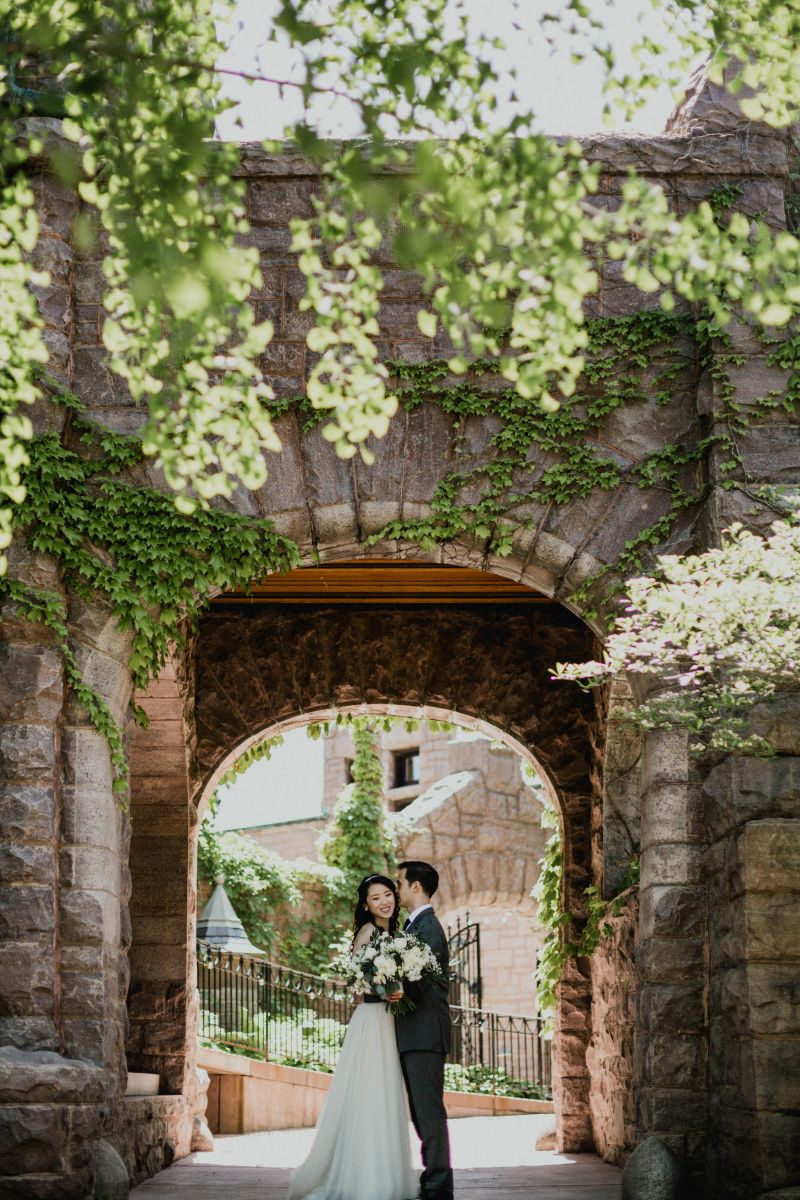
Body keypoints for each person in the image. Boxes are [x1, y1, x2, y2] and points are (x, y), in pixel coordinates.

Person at [287, 873, 419, 1200]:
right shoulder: (368, 931)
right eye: (376, 898)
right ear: (365, 904)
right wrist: (382, 988)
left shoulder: (398, 933)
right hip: (372, 1019)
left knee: (388, 1095)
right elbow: (356, 981)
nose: (384, 901)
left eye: (388, 894)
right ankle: (364, 1178)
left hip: (391, 1021)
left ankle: (390, 1175)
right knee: (369, 1094)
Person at [394, 861, 453, 1200]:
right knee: (421, 1113)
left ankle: (438, 1186)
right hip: (414, 1035)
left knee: (429, 1113)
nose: (397, 888)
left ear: (416, 887)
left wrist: (386, 984)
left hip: (425, 1035)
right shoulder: (415, 927)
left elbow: (416, 984)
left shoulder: (429, 928)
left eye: (400, 882)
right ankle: (432, 1179)